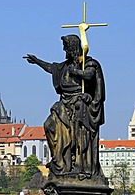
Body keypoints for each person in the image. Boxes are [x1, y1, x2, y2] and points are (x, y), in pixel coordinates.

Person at [24, 34, 105, 179]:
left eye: (65, 48)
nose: (64, 51)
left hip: (80, 105)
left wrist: (75, 71)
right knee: (49, 125)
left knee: (77, 136)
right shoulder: (64, 66)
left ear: (72, 48)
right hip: (64, 103)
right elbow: (51, 68)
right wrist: (37, 61)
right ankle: (60, 163)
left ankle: (79, 166)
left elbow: (89, 76)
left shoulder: (89, 62)